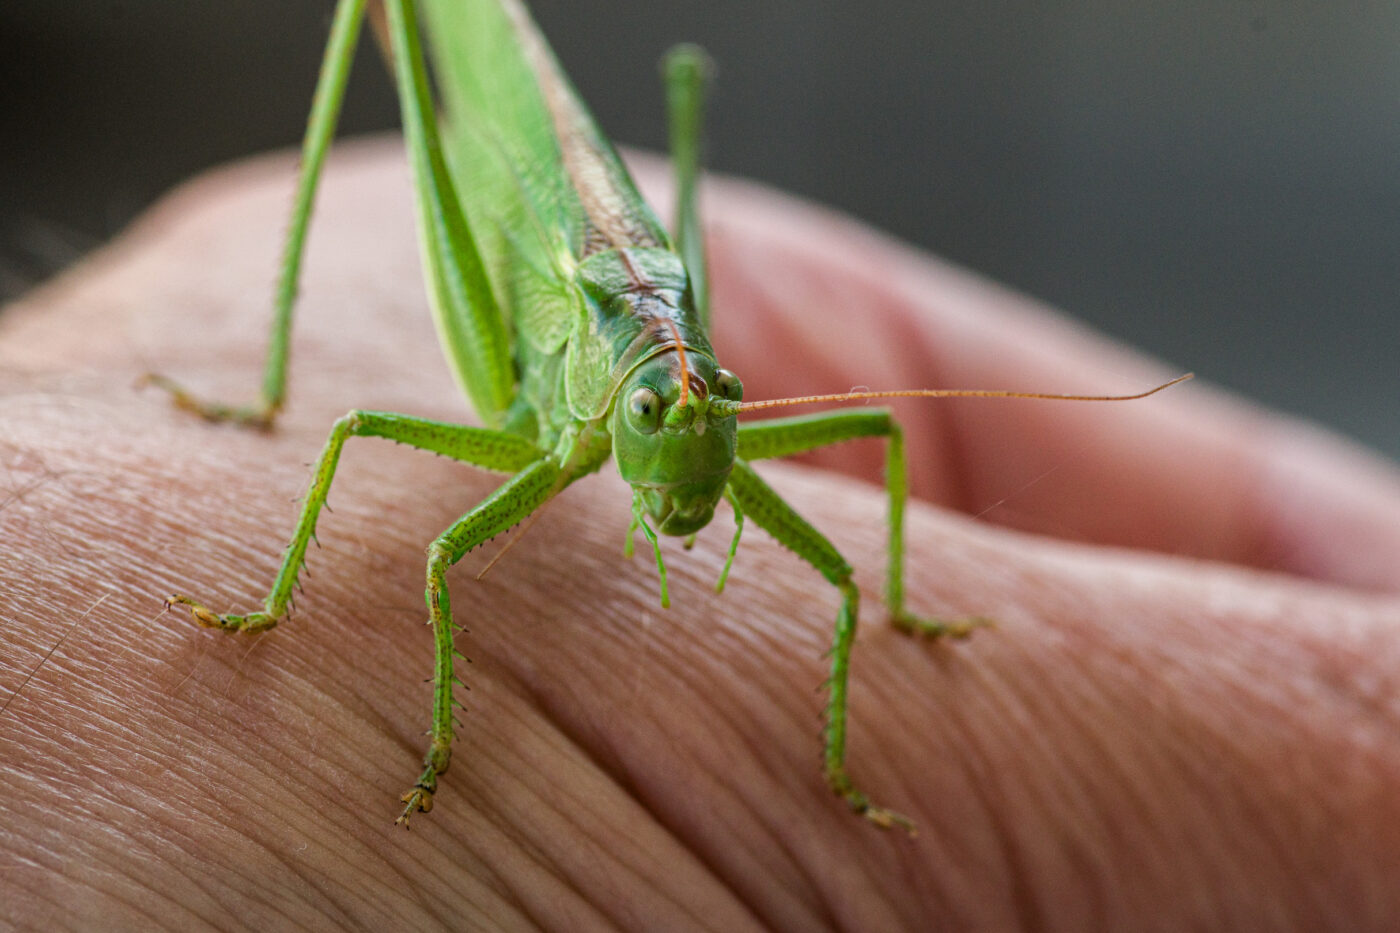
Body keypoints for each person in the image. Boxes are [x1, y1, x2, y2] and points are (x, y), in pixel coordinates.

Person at [2, 141, 1398, 929]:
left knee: (853, 567)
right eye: (685, 434)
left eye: (712, 423)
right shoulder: (563, 434)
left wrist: (883, 638)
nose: (700, 464)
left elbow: (885, 472)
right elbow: (390, 479)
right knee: (415, 511)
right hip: (547, 328)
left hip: (647, 308)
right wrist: (303, 636)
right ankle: (275, 466)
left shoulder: (705, 401)